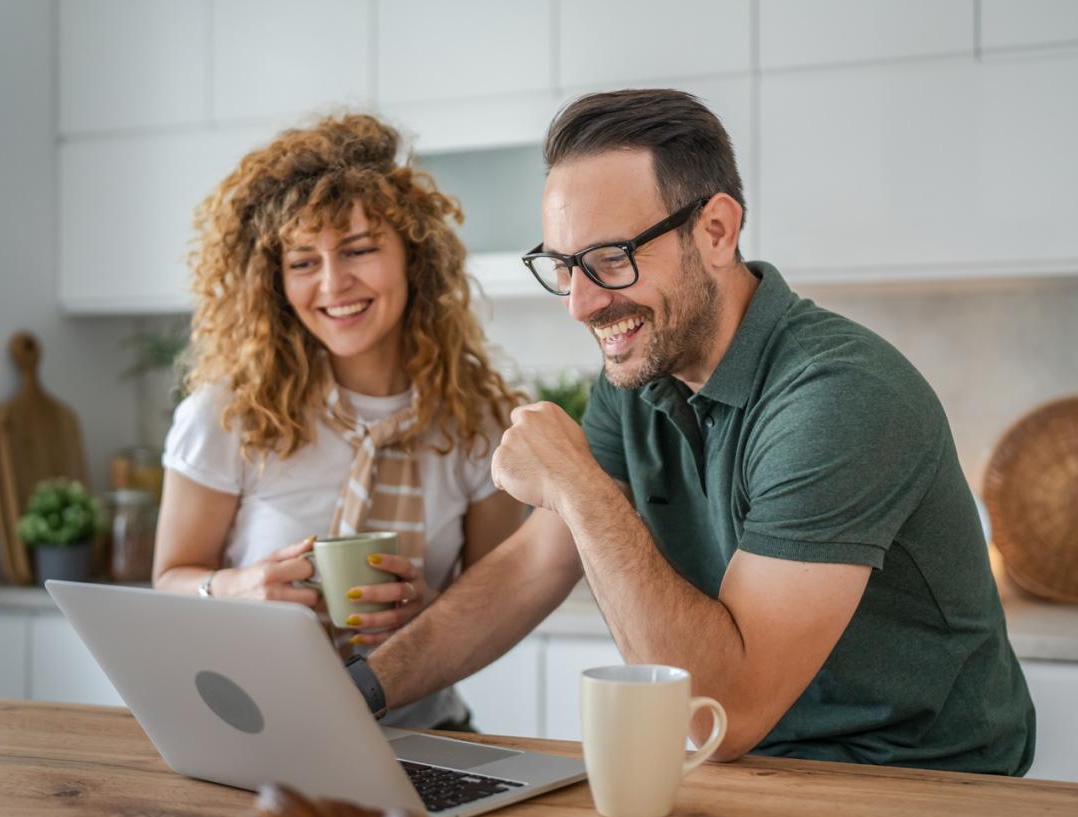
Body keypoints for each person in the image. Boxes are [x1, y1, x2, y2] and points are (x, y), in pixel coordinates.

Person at [352, 88, 1037, 774]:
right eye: (562, 267)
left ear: (716, 230)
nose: (581, 304)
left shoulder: (839, 396)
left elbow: (722, 712)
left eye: (610, 258)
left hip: (925, 783)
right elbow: (534, 566)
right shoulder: (641, 372)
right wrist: (358, 694)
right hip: (755, 771)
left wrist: (579, 486)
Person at [152, 113, 526, 731]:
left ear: (415, 257)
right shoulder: (227, 417)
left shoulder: (481, 425)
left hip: (426, 733)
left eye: (358, 250)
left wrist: (429, 617)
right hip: (258, 730)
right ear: (274, 282)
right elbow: (169, 581)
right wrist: (237, 588)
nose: (333, 284)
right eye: (303, 262)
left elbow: (499, 601)